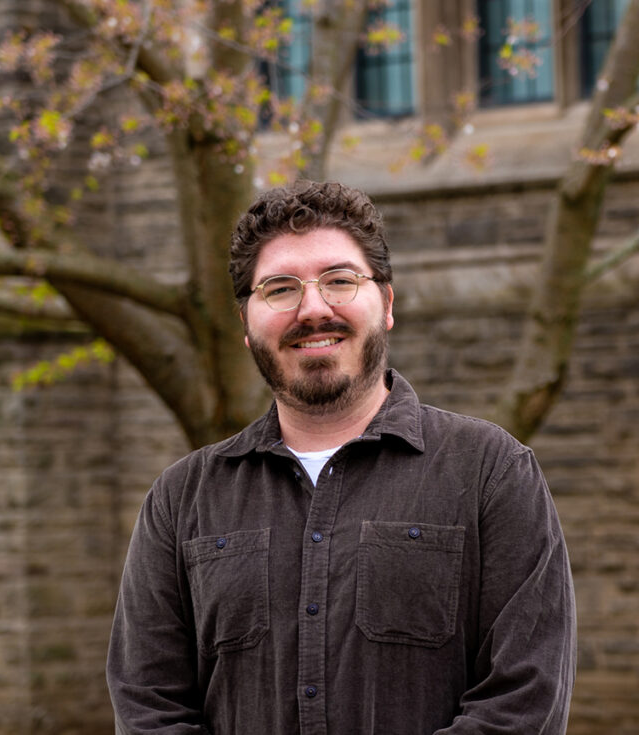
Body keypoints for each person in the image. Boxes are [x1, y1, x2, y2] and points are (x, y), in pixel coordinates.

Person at [106, 180, 577, 734]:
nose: (313, 308)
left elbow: (524, 702)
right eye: (280, 289)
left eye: (340, 280)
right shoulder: (181, 500)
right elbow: (148, 708)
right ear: (245, 324)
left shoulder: (491, 473)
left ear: (388, 303)